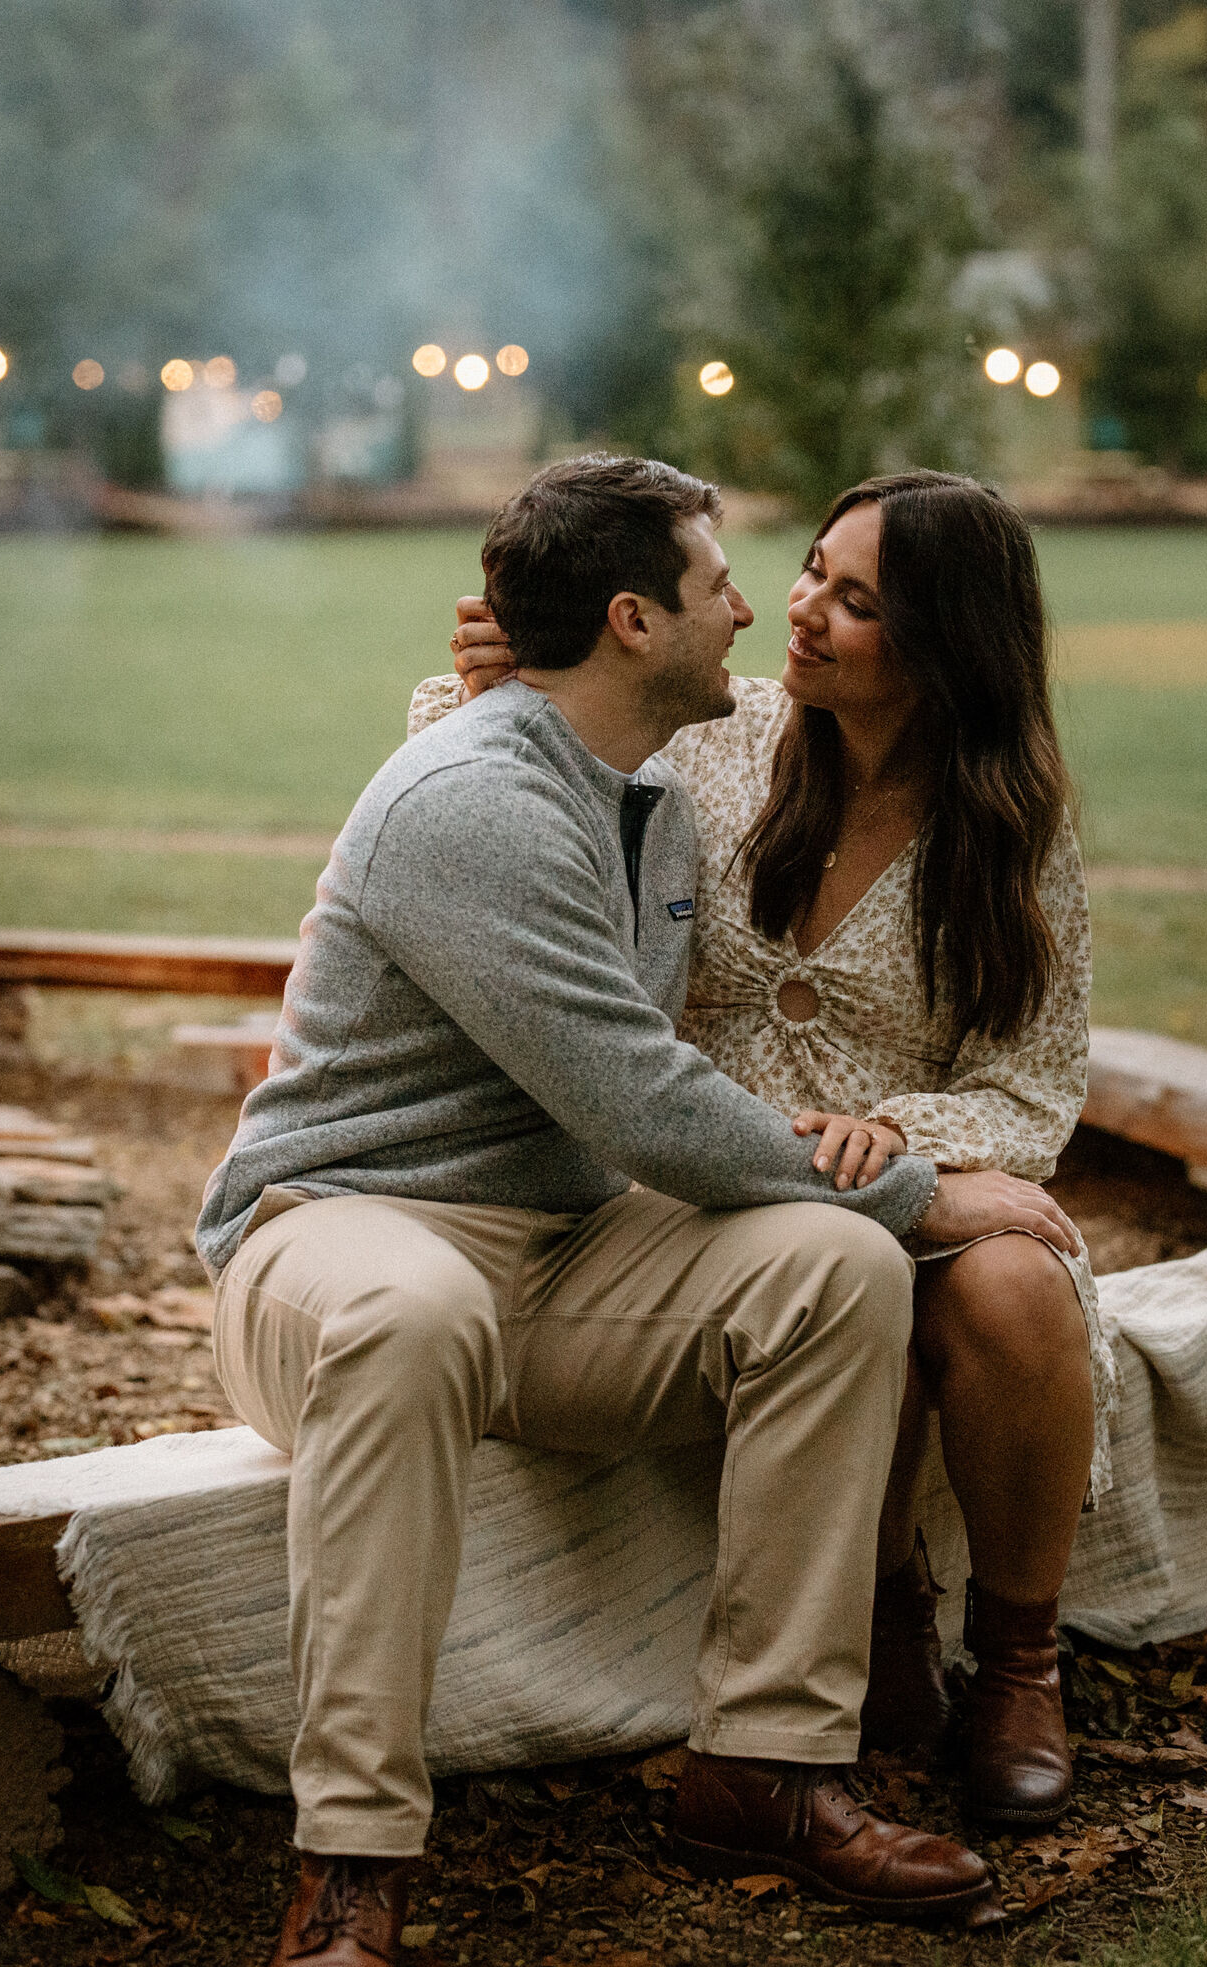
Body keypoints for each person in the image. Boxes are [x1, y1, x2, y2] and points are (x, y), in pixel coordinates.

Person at [199, 456, 1069, 1967]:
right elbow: (639, 1096)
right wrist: (927, 1185)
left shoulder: (658, 794)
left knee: (831, 1268)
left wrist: (880, 1193)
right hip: (341, 1232)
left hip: (558, 1254)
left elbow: (653, 1117)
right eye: (725, 581)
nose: (757, 607)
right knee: (415, 1314)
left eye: (819, 586)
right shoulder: (470, 803)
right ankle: (349, 1875)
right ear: (630, 621)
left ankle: (769, 1763)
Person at [422, 469, 1103, 1831]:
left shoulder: (1009, 828)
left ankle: (1022, 1665)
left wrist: (895, 1136)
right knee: (843, 1259)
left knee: (1015, 1287)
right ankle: (884, 1616)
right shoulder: (716, 733)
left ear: (946, 642)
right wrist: (520, 676)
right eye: (810, 572)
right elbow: (508, 803)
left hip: (900, 1160)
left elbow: (1033, 1085)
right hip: (696, 1169)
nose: (799, 611)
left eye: (856, 601)